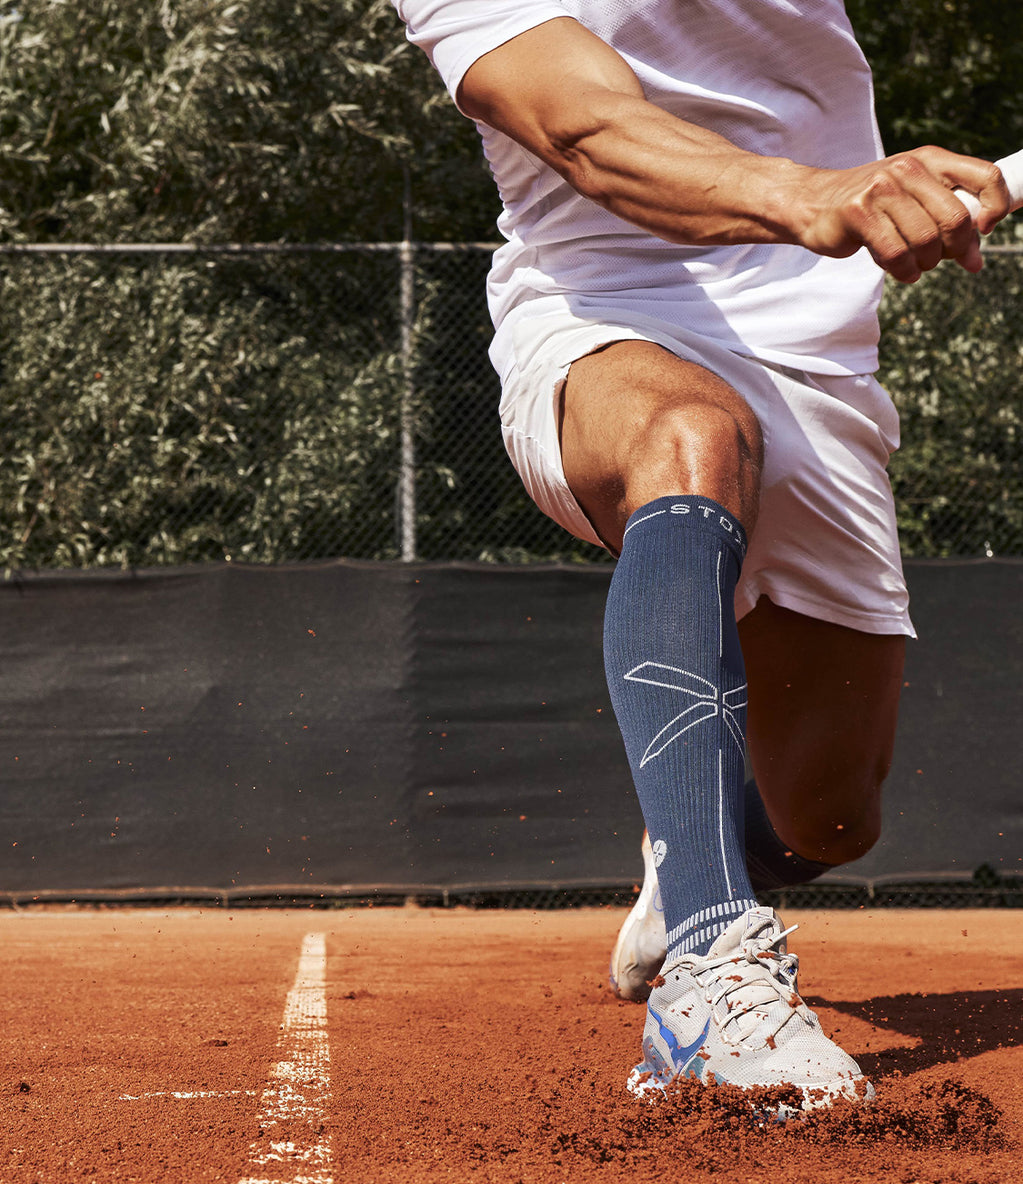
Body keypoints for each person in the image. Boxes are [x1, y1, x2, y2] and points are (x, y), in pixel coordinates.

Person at [392, 0, 1014, 1110]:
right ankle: (710, 967)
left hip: (819, 350)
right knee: (693, 433)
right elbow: (587, 130)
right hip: (604, 308)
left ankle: (687, 845)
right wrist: (813, 191)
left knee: (831, 818)